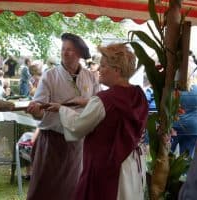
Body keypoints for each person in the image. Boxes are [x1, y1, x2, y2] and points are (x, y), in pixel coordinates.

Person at [46, 43, 148, 200]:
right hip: (131, 164)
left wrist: (61, 108)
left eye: (104, 66)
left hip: (107, 166)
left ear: (117, 70)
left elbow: (78, 126)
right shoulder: (138, 94)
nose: (99, 69)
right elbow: (119, 114)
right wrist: (89, 102)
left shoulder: (104, 100)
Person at [26, 33, 100, 200]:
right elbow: (39, 108)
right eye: (63, 49)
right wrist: (36, 110)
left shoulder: (89, 76)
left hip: (78, 144)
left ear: (80, 54)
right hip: (52, 141)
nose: (65, 53)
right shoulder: (50, 75)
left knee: (73, 189)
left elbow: (98, 105)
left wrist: (84, 102)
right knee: (44, 189)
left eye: (70, 50)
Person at [171, 72, 197, 158]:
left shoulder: (173, 90)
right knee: (185, 161)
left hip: (173, 128)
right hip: (192, 129)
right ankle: (184, 172)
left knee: (166, 158)